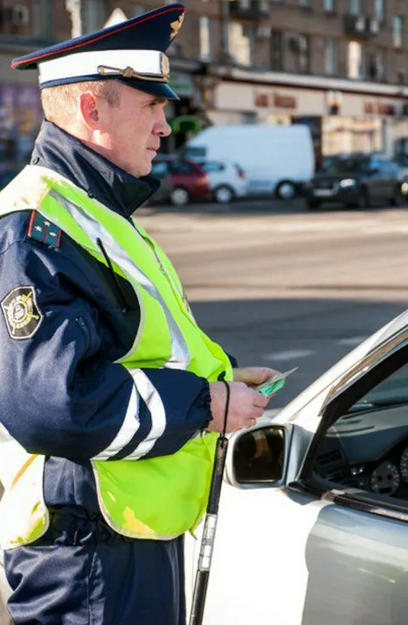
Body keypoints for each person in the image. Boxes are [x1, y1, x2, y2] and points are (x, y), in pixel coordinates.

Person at [0, 6, 280, 624]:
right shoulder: (37, 224)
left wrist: (223, 377)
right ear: (93, 111)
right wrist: (204, 405)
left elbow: (138, 344)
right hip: (85, 546)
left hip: (121, 527)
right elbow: (53, 401)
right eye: (150, 106)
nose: (165, 125)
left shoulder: (94, 213)